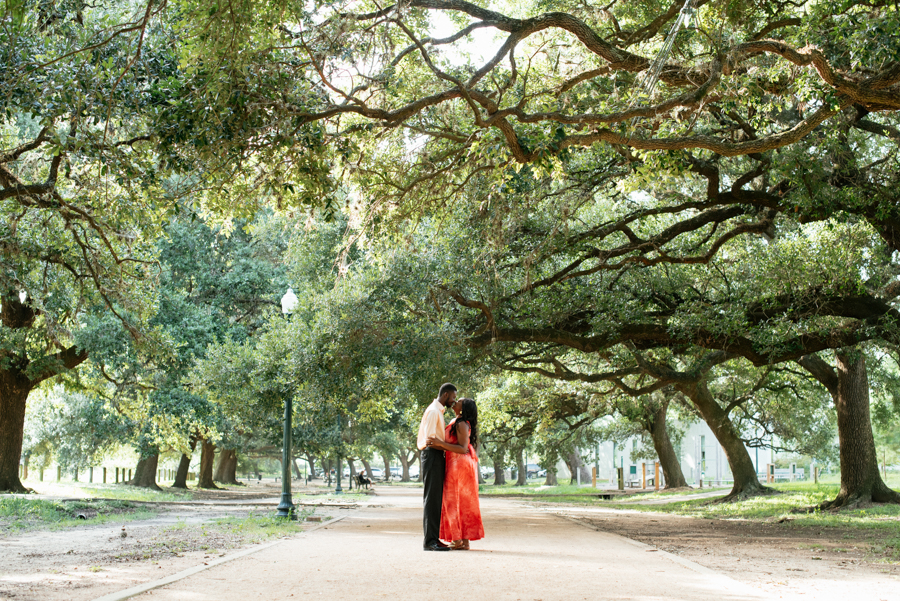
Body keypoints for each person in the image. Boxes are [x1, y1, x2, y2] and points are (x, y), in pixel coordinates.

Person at [427, 397, 484, 550]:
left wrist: (439, 444)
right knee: (461, 501)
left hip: (460, 464)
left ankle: (458, 539)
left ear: (463, 408)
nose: (455, 402)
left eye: (459, 401)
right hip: (455, 463)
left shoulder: (462, 424)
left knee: (454, 501)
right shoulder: (456, 421)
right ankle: (463, 541)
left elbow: (463, 448)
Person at [417, 382, 457, 551]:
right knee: (432, 500)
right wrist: (451, 447)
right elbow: (431, 441)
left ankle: (434, 538)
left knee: (436, 500)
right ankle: (429, 541)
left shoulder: (438, 411)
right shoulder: (434, 412)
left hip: (435, 456)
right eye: (453, 397)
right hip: (432, 456)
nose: (454, 402)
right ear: (446, 394)